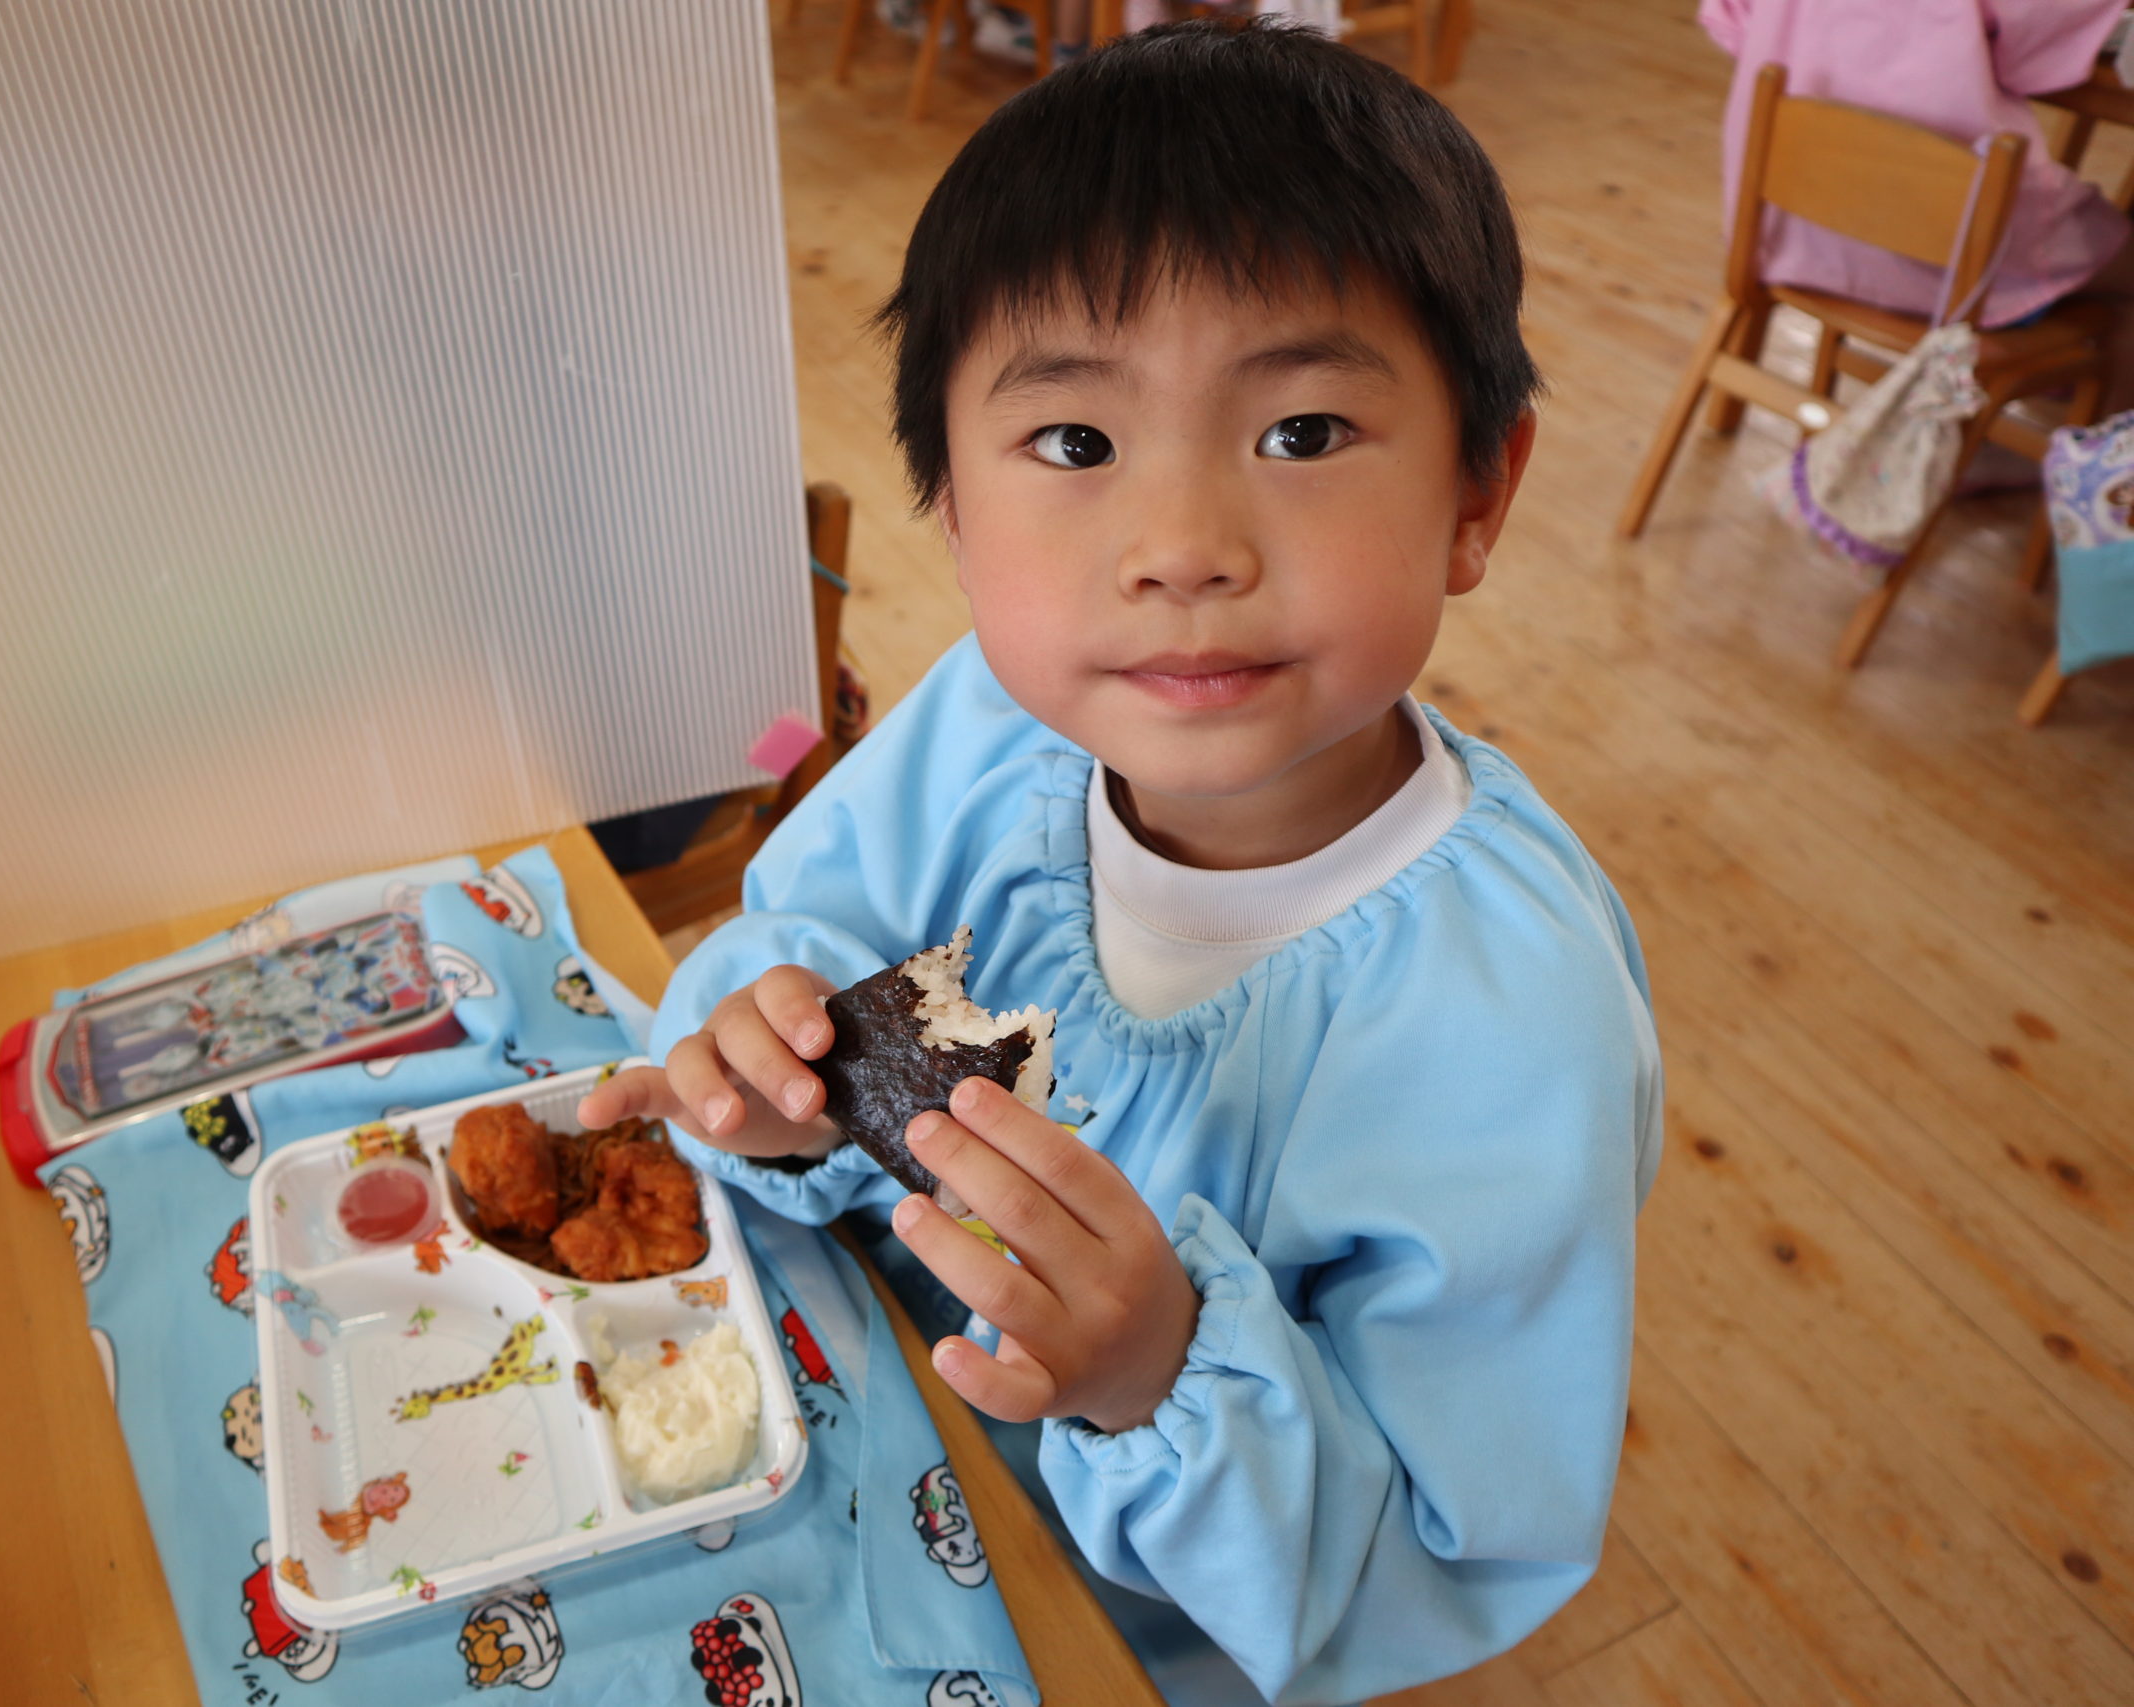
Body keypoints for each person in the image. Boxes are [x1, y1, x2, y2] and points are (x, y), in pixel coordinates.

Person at [579, 21, 1662, 1705]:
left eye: (1303, 430)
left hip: (1131, 1640)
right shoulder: (983, 726)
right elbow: (807, 930)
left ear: (1478, 489)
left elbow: (1440, 1554)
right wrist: (769, 1066)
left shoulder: (1514, 1020)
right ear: (954, 511)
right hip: (826, 1450)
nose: (1182, 550)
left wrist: (1160, 1373)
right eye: (1077, 445)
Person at [1700, 1, 2134, 411]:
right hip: (1940, 258)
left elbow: (1730, 20)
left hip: (1785, 230)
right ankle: (2100, 454)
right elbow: (2036, 54)